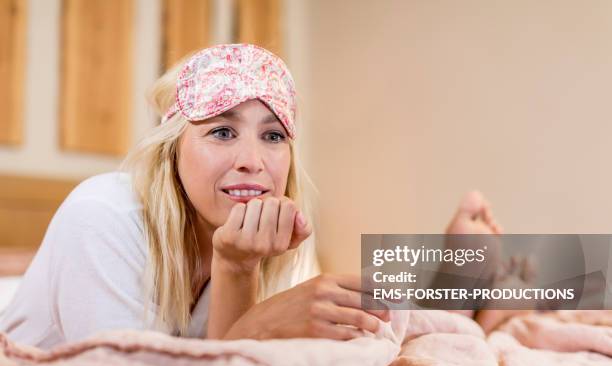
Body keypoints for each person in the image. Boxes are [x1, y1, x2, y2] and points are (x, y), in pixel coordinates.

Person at [0, 44, 505, 349]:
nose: (253, 161)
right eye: (221, 132)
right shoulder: (101, 214)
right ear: (172, 150)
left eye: (272, 136)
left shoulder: (280, 229)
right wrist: (246, 286)